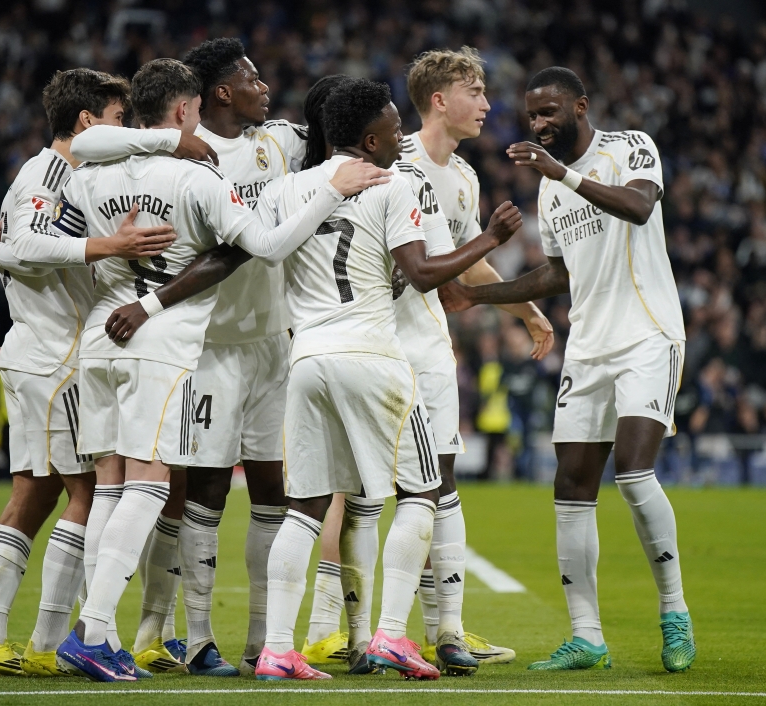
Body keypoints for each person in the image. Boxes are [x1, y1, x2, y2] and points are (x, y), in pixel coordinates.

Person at [51, 58, 388, 683]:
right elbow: (252, 247)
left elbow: (84, 147)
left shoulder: (275, 142)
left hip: (271, 341)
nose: (266, 88)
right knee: (180, 491)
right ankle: (178, 635)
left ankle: (261, 642)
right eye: (252, 80)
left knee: (256, 491)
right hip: (202, 345)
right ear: (204, 100)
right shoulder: (195, 166)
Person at [253, 77, 522, 681]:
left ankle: (277, 649)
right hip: (372, 355)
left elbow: (265, 250)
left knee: (304, 508)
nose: (402, 137)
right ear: (370, 140)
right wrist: (491, 238)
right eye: (394, 128)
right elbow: (423, 274)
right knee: (424, 492)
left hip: (307, 359)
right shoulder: (391, 185)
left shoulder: (285, 189)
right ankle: (394, 636)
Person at [439, 66, 696, 673]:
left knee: (633, 473)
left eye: (549, 111)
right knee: (571, 488)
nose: (539, 123)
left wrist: (563, 173)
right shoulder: (550, 193)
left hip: (648, 335)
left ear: (580, 106)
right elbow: (558, 274)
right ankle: (587, 637)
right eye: (532, 114)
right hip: (588, 348)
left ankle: (674, 611)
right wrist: (479, 297)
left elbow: (639, 207)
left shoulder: (629, 148)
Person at [0, 67, 180, 678]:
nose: (123, 130)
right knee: (91, 493)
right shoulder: (52, 174)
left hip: (37, 351)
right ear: (86, 121)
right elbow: (29, 247)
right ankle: (52, 642)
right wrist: (111, 247)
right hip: (58, 360)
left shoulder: (59, 178)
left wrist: (1, 274)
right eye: (116, 119)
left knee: (33, 496)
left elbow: (16, 254)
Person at [399, 46, 556, 667]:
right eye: (475, 92)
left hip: (430, 347)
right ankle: (351, 632)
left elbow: (470, 261)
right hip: (381, 345)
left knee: (439, 483)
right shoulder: (395, 164)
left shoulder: (463, 178)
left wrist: (526, 310)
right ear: (440, 101)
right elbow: (430, 266)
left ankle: (447, 631)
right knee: (358, 495)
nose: (488, 104)